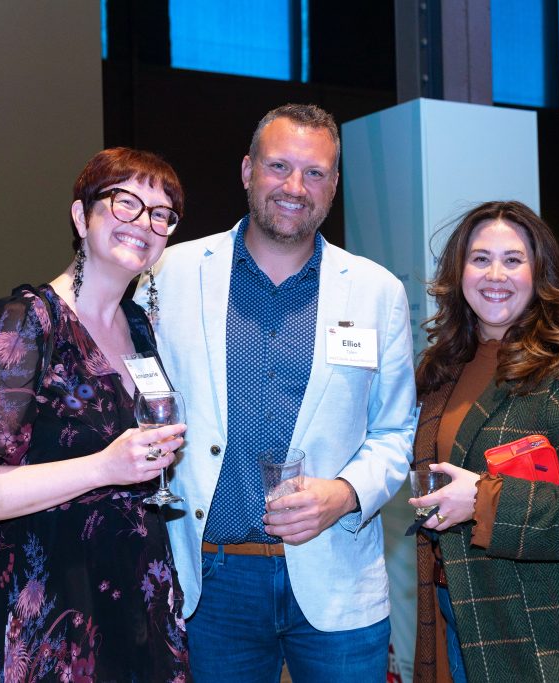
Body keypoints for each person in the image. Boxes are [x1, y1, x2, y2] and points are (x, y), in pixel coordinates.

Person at [135, 103, 416, 682]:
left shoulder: (375, 292)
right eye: (279, 166)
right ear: (246, 170)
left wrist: (344, 493)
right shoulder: (169, 275)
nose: (295, 187)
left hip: (337, 574)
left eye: (315, 173)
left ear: (334, 185)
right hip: (211, 584)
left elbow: (395, 431)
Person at [0, 148, 192, 682]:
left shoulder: (138, 326)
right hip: (56, 615)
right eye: (126, 204)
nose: (144, 223)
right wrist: (104, 467)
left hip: (140, 600)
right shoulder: (27, 322)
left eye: (161, 213)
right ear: (81, 216)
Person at [410, 201, 559, 682]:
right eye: (480, 258)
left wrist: (483, 500)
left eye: (513, 260)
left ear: (540, 274)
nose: (496, 274)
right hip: (458, 610)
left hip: (550, 636)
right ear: (459, 271)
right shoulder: (441, 368)